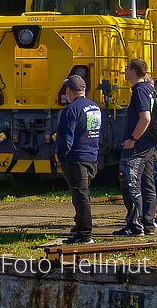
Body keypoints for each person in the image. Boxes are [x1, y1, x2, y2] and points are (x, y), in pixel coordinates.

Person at [55, 75, 102, 245]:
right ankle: (79, 227)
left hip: (76, 158)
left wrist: (62, 156)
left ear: (69, 90)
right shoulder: (95, 107)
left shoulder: (71, 109)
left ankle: (85, 234)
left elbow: (66, 137)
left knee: (81, 196)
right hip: (91, 156)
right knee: (82, 194)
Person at [115, 58, 157, 237]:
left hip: (138, 147)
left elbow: (145, 118)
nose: (125, 71)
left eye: (126, 68)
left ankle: (134, 225)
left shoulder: (140, 91)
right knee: (148, 185)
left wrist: (133, 138)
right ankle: (149, 223)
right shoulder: (150, 90)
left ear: (132, 71)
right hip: (149, 146)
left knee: (130, 184)